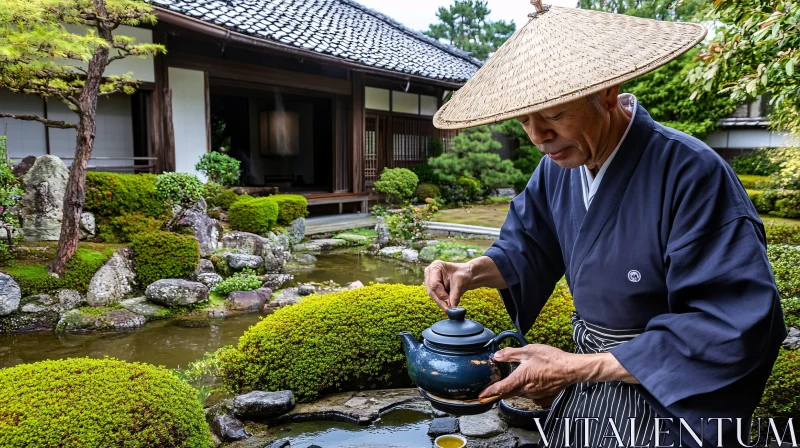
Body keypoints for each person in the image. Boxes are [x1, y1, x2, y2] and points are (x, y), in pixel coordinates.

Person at [424, 2, 787, 447]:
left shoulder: (692, 172)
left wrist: (574, 368)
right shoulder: (558, 166)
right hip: (592, 383)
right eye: (523, 120)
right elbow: (528, 248)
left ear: (608, 90)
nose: (538, 136)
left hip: (670, 394)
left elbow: (732, 322)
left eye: (553, 115)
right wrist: (471, 270)